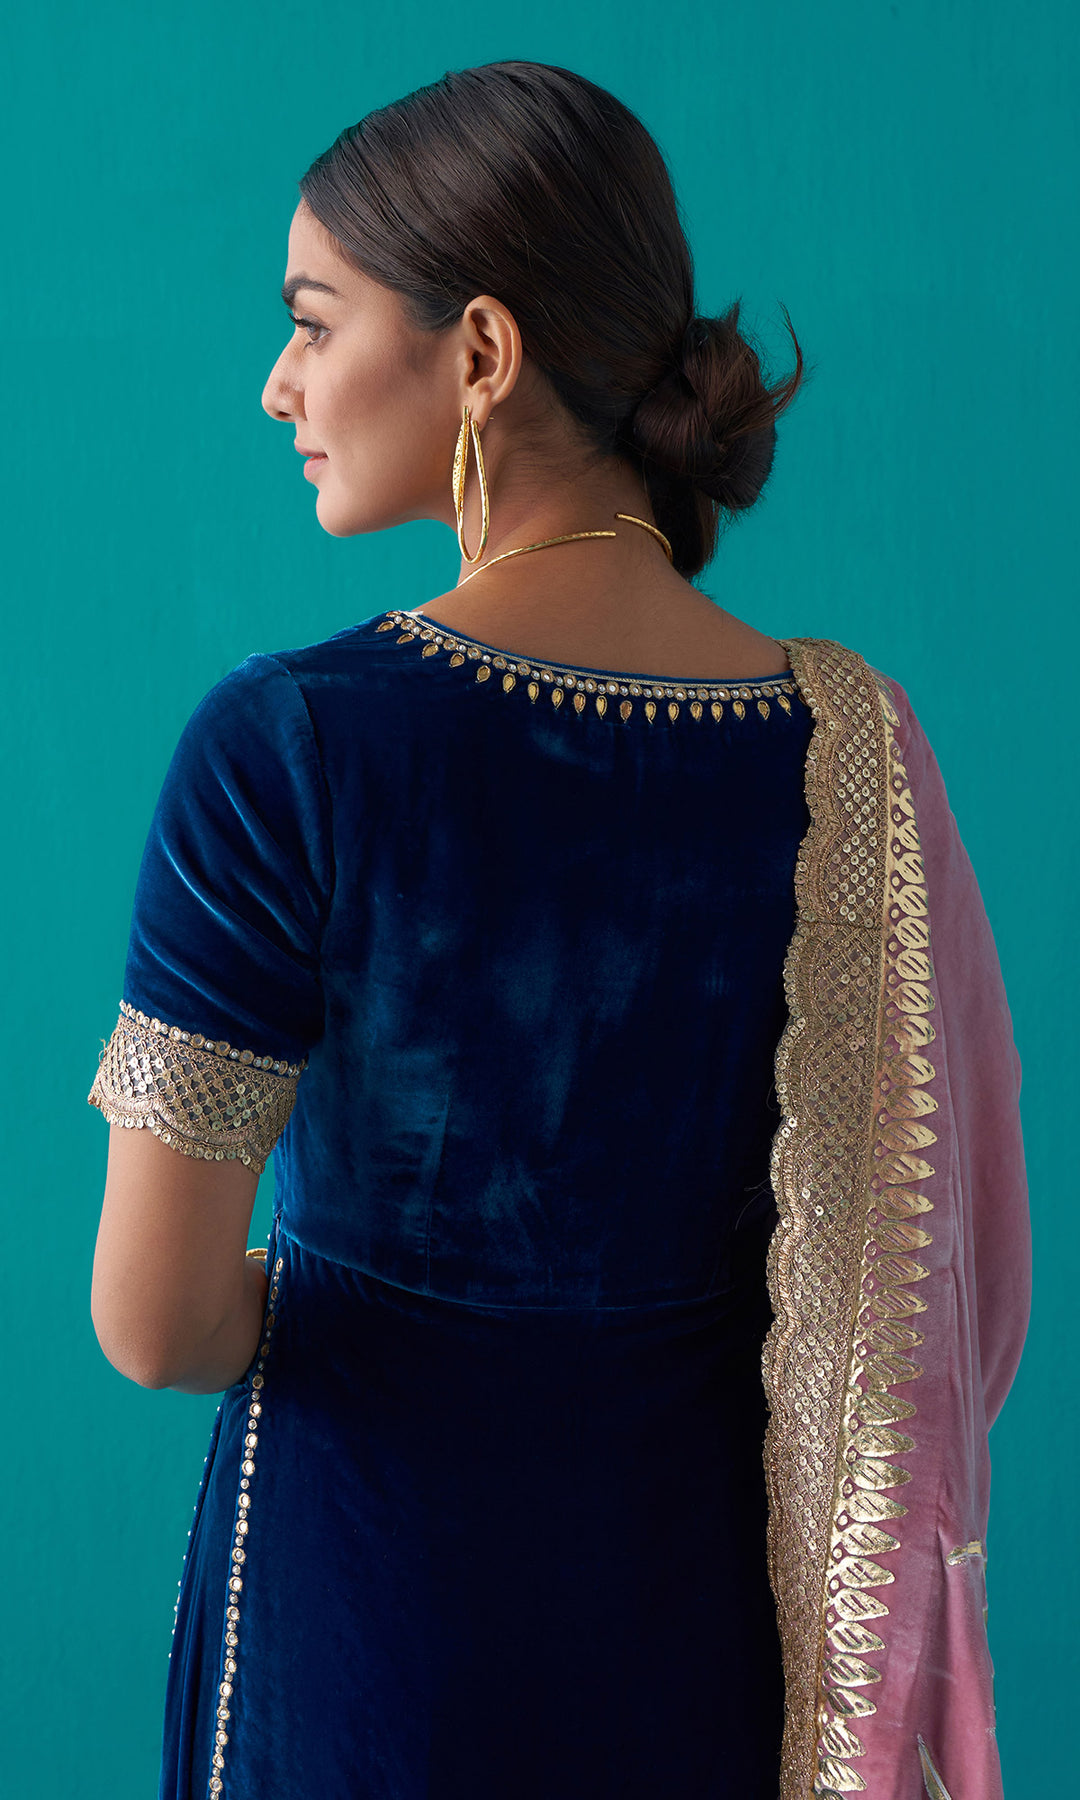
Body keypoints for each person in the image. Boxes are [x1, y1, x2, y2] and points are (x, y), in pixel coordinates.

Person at [86, 61, 1030, 1800]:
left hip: (371, 1630)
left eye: (314, 320)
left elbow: (157, 1323)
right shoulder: (857, 751)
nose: (279, 381)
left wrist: (374, 1301)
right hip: (706, 1644)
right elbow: (950, 1305)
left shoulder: (289, 745)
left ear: (481, 353)